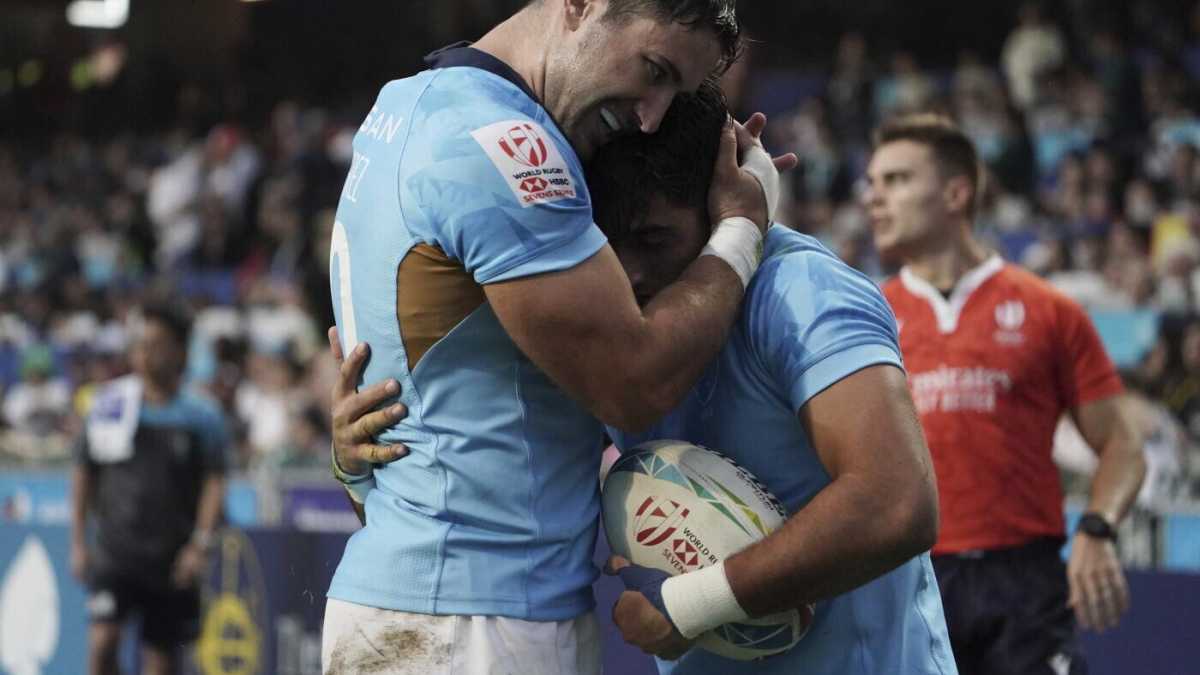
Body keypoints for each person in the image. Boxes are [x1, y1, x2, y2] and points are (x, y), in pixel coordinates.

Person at [330, 85, 958, 674]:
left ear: (723, 206)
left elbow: (897, 503)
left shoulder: (802, 292)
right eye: (608, 243)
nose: (627, 274)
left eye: (654, 237)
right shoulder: (598, 318)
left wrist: (692, 605)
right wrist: (361, 459)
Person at [321, 1, 794, 673]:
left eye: (675, 93)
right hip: (475, 623)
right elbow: (635, 382)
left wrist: (349, 460)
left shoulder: (405, 106)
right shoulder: (506, 142)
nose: (651, 115)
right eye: (653, 70)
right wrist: (742, 227)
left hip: (418, 598)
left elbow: (411, 418)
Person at [862, 113, 1147, 674]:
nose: (875, 199)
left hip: (1027, 587)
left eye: (895, 181)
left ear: (955, 192)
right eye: (872, 184)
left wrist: (1099, 525)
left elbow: (1122, 445)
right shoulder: (865, 315)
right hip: (909, 582)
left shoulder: (1050, 310)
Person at [70, 303, 229, 675]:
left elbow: (215, 480)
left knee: (160, 662)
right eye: (140, 344)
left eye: (156, 344)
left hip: (171, 561)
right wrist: (79, 540)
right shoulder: (109, 403)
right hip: (116, 553)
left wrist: (199, 545)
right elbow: (83, 472)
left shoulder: (202, 416)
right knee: (102, 644)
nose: (145, 353)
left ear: (180, 351)